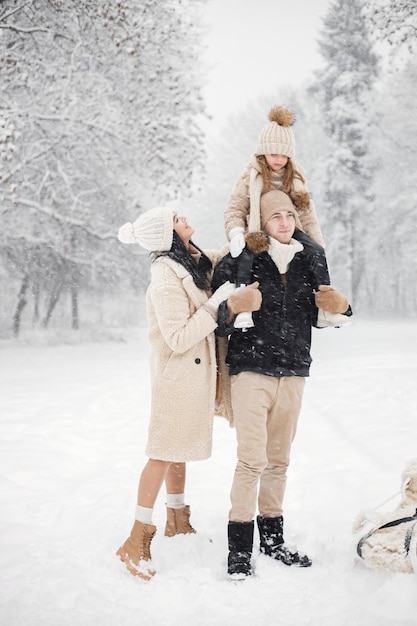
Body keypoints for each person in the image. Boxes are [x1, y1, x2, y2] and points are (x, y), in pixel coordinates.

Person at [115, 206, 261, 580]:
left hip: (192, 377)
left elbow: (221, 258)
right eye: (177, 219)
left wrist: (246, 242)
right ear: (168, 234)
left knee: (176, 449)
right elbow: (178, 337)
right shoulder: (164, 277)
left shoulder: (191, 263)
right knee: (162, 452)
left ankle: (177, 519)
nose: (185, 220)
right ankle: (136, 537)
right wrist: (215, 305)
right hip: (175, 378)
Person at [212, 190, 352, 579]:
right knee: (251, 460)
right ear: (263, 220)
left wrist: (343, 306)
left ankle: (273, 542)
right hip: (251, 370)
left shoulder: (310, 260)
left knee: (279, 461)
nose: (285, 222)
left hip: (293, 371)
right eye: (276, 216)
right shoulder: (241, 260)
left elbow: (330, 309)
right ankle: (239, 550)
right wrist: (234, 306)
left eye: (290, 215)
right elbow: (216, 315)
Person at [224, 104, 325, 329]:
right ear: (263, 152)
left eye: (284, 155)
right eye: (273, 154)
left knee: (317, 252)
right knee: (246, 256)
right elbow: (235, 207)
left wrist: (316, 242)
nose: (279, 159)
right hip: (257, 228)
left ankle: (325, 300)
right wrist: (236, 231)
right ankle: (243, 304)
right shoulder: (250, 176)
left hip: (290, 228)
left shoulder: (296, 177)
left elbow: (307, 214)